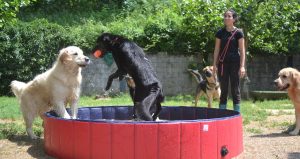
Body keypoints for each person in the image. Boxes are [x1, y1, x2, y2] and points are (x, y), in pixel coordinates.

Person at [212, 9, 246, 112]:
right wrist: (214, 64)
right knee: (224, 89)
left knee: (235, 89)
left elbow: (242, 50)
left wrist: (242, 66)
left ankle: (236, 114)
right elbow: (217, 49)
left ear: (234, 19)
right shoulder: (220, 32)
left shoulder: (238, 33)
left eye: (229, 16)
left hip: (235, 64)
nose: (226, 18)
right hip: (223, 64)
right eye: (225, 16)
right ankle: (222, 114)